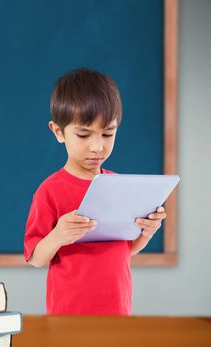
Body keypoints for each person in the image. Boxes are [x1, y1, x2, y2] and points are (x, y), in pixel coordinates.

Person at [24, 68, 166, 315]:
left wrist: (146, 232)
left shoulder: (119, 186)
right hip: (68, 315)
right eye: (83, 135)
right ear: (58, 132)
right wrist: (59, 234)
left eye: (108, 133)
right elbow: (36, 258)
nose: (97, 146)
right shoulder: (50, 190)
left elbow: (126, 248)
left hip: (118, 311)